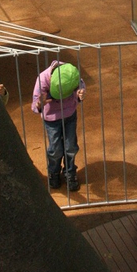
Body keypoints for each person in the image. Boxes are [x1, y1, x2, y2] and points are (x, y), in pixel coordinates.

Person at [32, 61, 86, 191]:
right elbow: (34, 104)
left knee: (71, 146)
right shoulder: (43, 79)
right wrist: (40, 104)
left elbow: (81, 86)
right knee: (55, 149)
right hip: (51, 118)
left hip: (69, 115)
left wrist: (80, 95)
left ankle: (69, 172)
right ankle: (54, 172)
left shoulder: (71, 74)